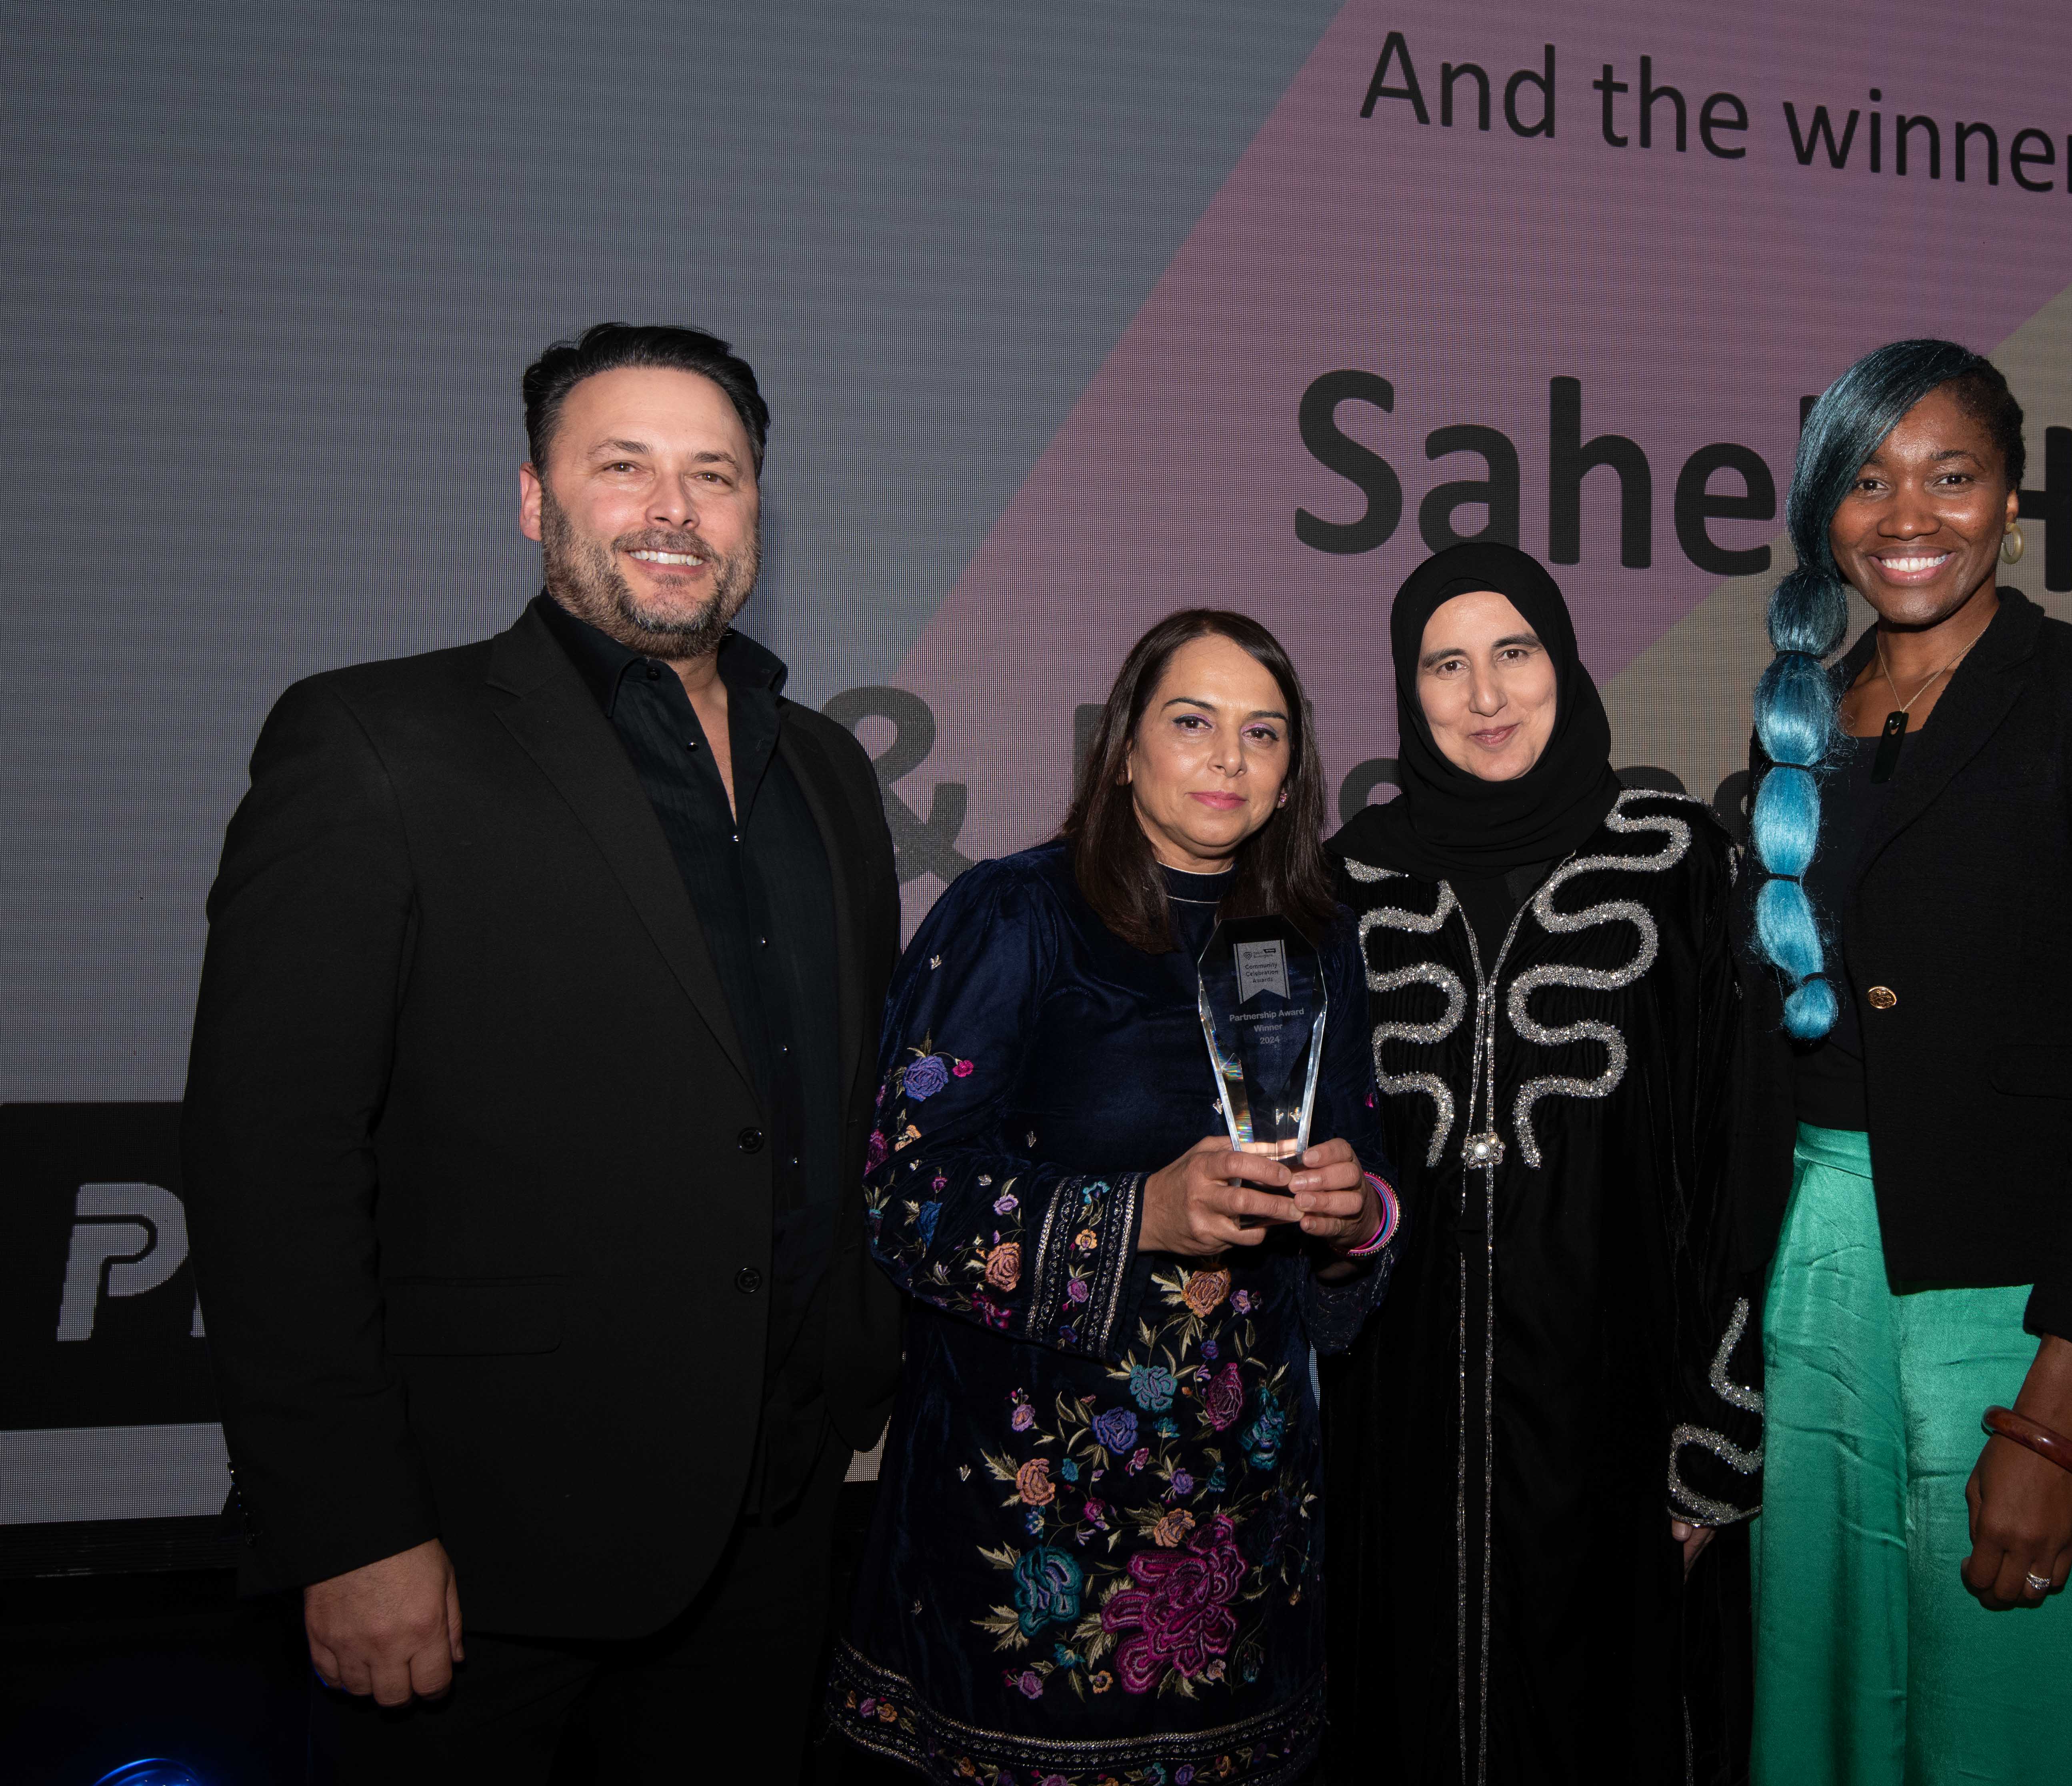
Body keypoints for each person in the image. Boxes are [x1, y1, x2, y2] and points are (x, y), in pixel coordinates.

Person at [180, 323, 908, 1781]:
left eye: (716, 475)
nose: (673, 510)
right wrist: (349, 1527)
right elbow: (271, 1166)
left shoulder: (822, 765)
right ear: (534, 499)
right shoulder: (376, 743)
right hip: (472, 1555)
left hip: (771, 1527)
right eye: (623, 466)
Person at [1738, 340, 2072, 1782]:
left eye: (1951, 478)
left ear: (2012, 501)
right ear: (1824, 511)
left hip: (2029, 1320)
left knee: (2022, 1736)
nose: (1910, 518)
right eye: (1870, 481)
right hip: (1815, 1300)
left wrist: (2055, 1421)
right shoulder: (1794, 734)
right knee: (1832, 1732)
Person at [828, 609, 1398, 1786]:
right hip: (1030, 1528)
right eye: (1192, 723)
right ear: (1125, 746)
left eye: (1264, 734)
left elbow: (1366, 1181)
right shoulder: (1017, 915)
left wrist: (1357, 1220)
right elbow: (900, 1185)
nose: (1229, 759)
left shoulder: (1315, 938)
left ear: (1295, 775)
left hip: (1248, 1536)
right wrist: (1138, 1213)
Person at [1320, 541, 1775, 1786]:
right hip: (1393, 1434)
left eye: (1514, 654)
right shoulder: (1346, 882)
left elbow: (1735, 1157)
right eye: (1446, 665)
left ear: (1564, 664)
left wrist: (1717, 1438)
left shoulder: (1676, 858)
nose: (1486, 697)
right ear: (1407, 691)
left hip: (1619, 1433)